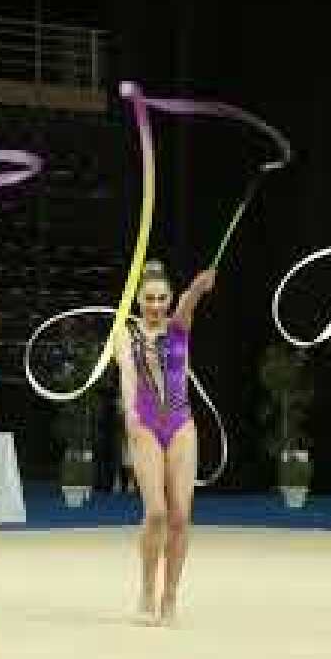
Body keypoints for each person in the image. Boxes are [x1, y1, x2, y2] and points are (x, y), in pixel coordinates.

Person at [112, 260, 216, 625]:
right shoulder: (125, 333)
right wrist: (130, 415)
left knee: (181, 516)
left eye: (161, 298)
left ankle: (169, 597)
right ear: (139, 300)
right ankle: (146, 591)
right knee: (156, 512)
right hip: (144, 422)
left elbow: (189, 303)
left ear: (170, 299)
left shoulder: (178, 327)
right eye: (149, 299)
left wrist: (198, 287)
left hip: (180, 423)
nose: (155, 305)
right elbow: (128, 373)